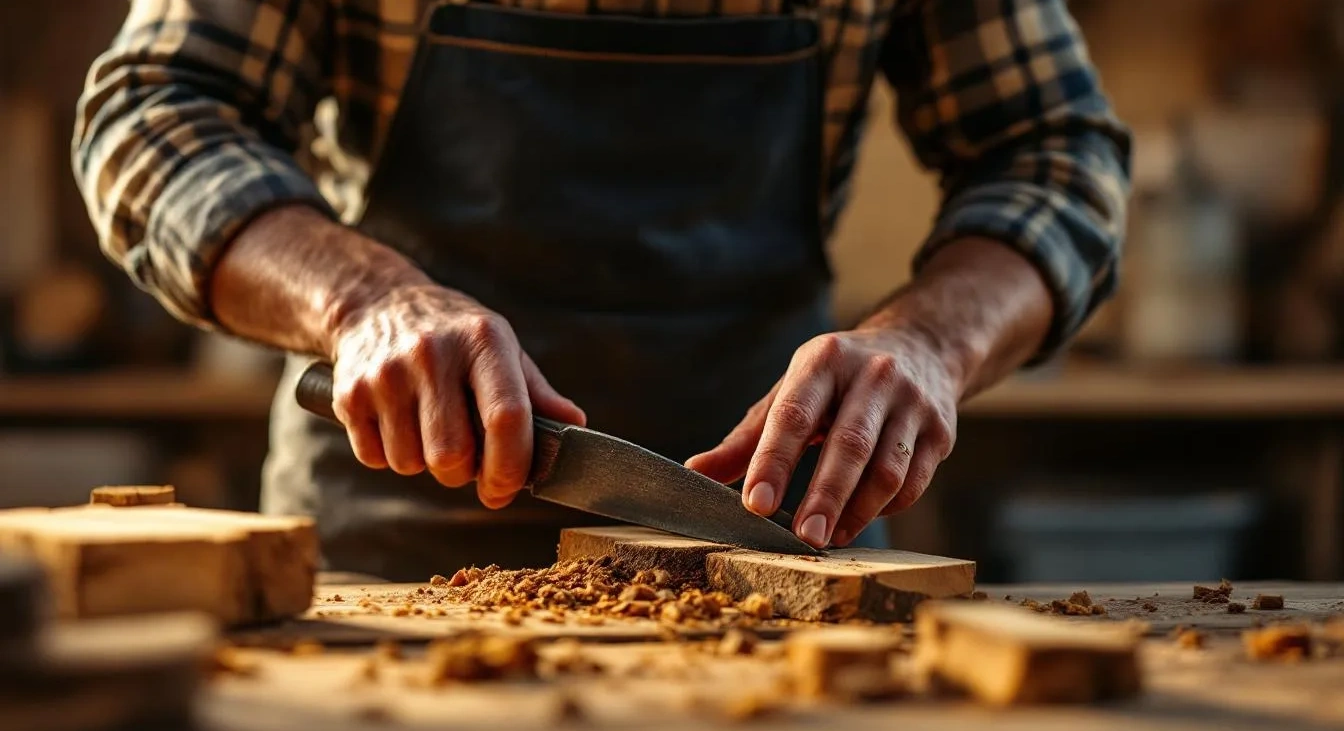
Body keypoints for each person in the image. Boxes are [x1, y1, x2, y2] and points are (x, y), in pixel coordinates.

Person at [73, 0, 1130, 581]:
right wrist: (360, 299)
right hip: (388, 549)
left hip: (784, 541)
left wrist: (933, 343)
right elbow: (153, 110)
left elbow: (1053, 152)